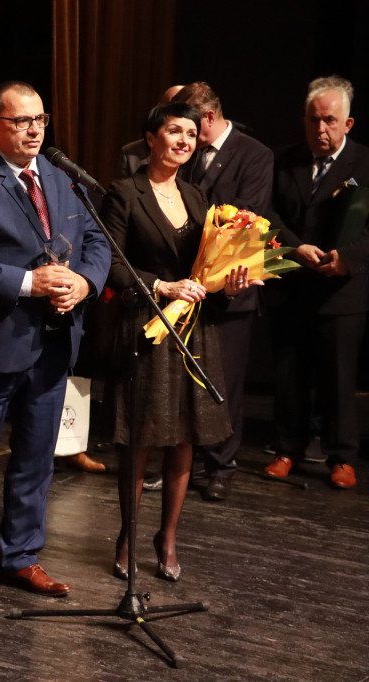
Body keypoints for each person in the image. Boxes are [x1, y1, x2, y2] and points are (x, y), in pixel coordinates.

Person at [0, 81, 111, 607]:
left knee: (36, 459)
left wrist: (84, 283)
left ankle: (21, 556)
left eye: (40, 120)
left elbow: (96, 239)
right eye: (20, 121)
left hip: (52, 344)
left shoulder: (61, 178)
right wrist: (31, 283)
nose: (33, 130)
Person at [102, 102, 252, 583]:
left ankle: (167, 536)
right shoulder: (123, 193)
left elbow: (206, 270)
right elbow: (111, 264)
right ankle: (127, 533)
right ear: (151, 138)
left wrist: (228, 283)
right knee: (141, 438)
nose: (184, 141)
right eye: (174, 131)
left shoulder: (198, 197)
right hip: (147, 327)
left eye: (191, 133)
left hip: (192, 328)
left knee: (185, 437)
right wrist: (160, 286)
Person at [264, 75, 369, 490]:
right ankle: (286, 449)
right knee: (289, 373)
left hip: (343, 290)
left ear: (348, 124)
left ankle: (341, 456)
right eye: (312, 120)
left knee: (339, 378)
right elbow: (266, 213)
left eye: (329, 120)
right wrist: (294, 247)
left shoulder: (364, 165)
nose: (320, 129)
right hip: (292, 284)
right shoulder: (281, 160)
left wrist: (348, 259)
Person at [172, 82, 274, 501]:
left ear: (209, 117)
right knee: (185, 378)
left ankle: (221, 465)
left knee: (225, 382)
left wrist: (223, 271)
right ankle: (183, 460)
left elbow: (249, 219)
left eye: (192, 127)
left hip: (232, 287)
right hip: (190, 287)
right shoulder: (189, 153)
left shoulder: (254, 154)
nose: (185, 137)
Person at [118, 85, 184, 178]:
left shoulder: (197, 152)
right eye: (173, 108)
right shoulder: (132, 154)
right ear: (158, 109)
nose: (180, 116)